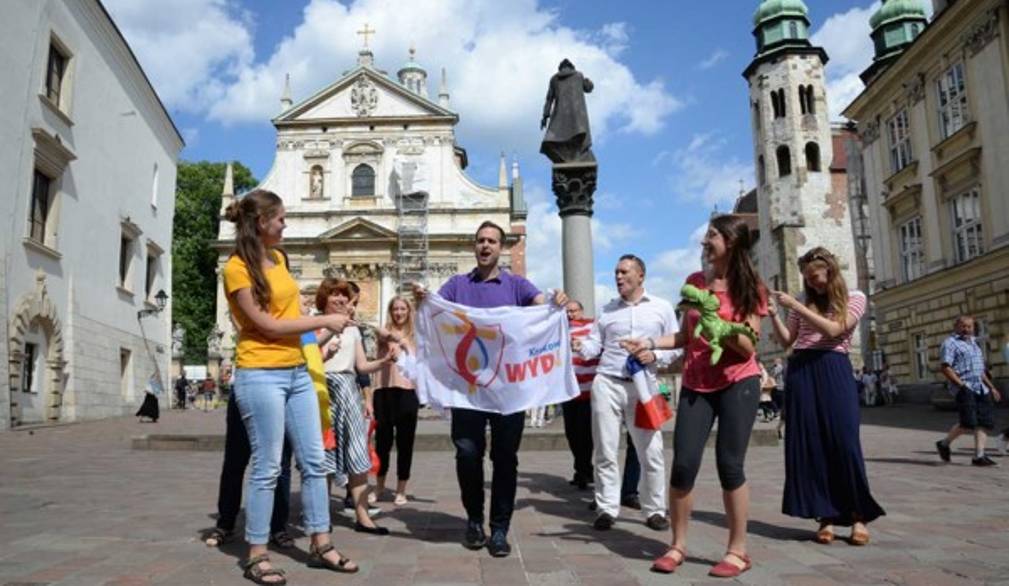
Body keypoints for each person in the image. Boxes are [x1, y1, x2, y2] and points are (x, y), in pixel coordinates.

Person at [222, 189, 358, 583]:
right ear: (261, 222)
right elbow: (265, 325)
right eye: (280, 218)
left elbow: (291, 314)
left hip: (297, 371)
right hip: (260, 372)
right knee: (267, 466)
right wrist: (321, 322)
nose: (285, 225)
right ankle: (257, 553)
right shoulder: (236, 268)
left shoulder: (279, 259)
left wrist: (326, 326)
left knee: (315, 462)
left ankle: (321, 543)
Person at [413, 220, 566, 557]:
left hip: (508, 392)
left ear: (501, 247)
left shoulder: (517, 285)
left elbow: (542, 304)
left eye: (492, 241)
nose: (485, 246)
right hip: (467, 391)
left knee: (505, 458)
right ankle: (473, 519)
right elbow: (435, 311)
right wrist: (423, 299)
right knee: (467, 453)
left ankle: (499, 529)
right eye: (480, 240)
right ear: (474, 246)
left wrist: (557, 302)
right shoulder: (456, 285)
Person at [627, 215, 766, 578]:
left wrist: (717, 320)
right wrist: (650, 344)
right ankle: (678, 545)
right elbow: (685, 338)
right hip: (697, 382)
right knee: (684, 464)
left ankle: (737, 550)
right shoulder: (693, 282)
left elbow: (749, 347)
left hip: (739, 381)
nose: (705, 241)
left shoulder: (750, 287)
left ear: (731, 243)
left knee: (729, 464)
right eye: (706, 236)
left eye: (713, 236)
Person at [767, 246, 885, 546]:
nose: (812, 283)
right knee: (813, 444)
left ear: (830, 271)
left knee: (844, 441)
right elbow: (787, 342)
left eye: (816, 276)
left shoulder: (854, 297)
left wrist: (797, 304)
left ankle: (859, 515)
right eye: (807, 278)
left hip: (833, 366)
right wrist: (775, 316)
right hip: (802, 369)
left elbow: (836, 329)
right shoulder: (803, 301)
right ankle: (826, 516)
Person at [572, 254, 678, 532]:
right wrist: (580, 346)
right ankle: (607, 507)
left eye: (624, 272)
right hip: (607, 382)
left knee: (651, 450)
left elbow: (678, 345)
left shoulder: (662, 308)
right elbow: (595, 345)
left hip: (644, 385)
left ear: (641, 275)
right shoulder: (607, 310)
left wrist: (653, 355)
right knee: (605, 449)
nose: (618, 277)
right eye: (616, 272)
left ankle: (654, 509)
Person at [316, 278, 396, 534]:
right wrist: (333, 328)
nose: (341, 300)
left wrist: (384, 361)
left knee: (357, 453)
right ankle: (321, 516)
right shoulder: (315, 322)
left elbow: (361, 366)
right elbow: (310, 351)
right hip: (323, 389)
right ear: (324, 299)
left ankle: (363, 516)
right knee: (324, 453)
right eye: (335, 296)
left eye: (344, 296)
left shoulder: (353, 329)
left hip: (349, 389)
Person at [204, 394, 294, 551]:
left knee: (281, 464)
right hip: (245, 388)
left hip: (283, 390)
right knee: (234, 462)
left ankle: (278, 527)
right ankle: (225, 524)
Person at [934, 315, 1002, 467]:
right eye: (963, 326)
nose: (966, 329)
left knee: (984, 421)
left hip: (981, 387)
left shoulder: (974, 344)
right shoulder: (950, 343)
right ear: (956, 326)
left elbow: (980, 370)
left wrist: (991, 387)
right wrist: (962, 386)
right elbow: (945, 367)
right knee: (968, 422)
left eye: (969, 326)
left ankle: (979, 456)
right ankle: (944, 444)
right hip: (964, 387)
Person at [372, 296, 420, 506]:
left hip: (408, 392)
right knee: (382, 442)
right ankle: (380, 486)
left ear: (409, 312)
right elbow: (378, 331)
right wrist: (397, 339)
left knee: (405, 442)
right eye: (395, 309)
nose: (399, 313)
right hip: (384, 390)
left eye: (403, 309)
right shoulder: (384, 333)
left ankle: (401, 490)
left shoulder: (417, 335)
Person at [563, 300, 597, 490]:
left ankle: (584, 471)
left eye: (574, 311)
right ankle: (582, 468)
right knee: (572, 434)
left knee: (585, 434)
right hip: (567, 391)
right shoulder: (559, 328)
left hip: (588, 390)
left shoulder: (593, 326)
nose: (570, 315)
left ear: (581, 311)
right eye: (567, 312)